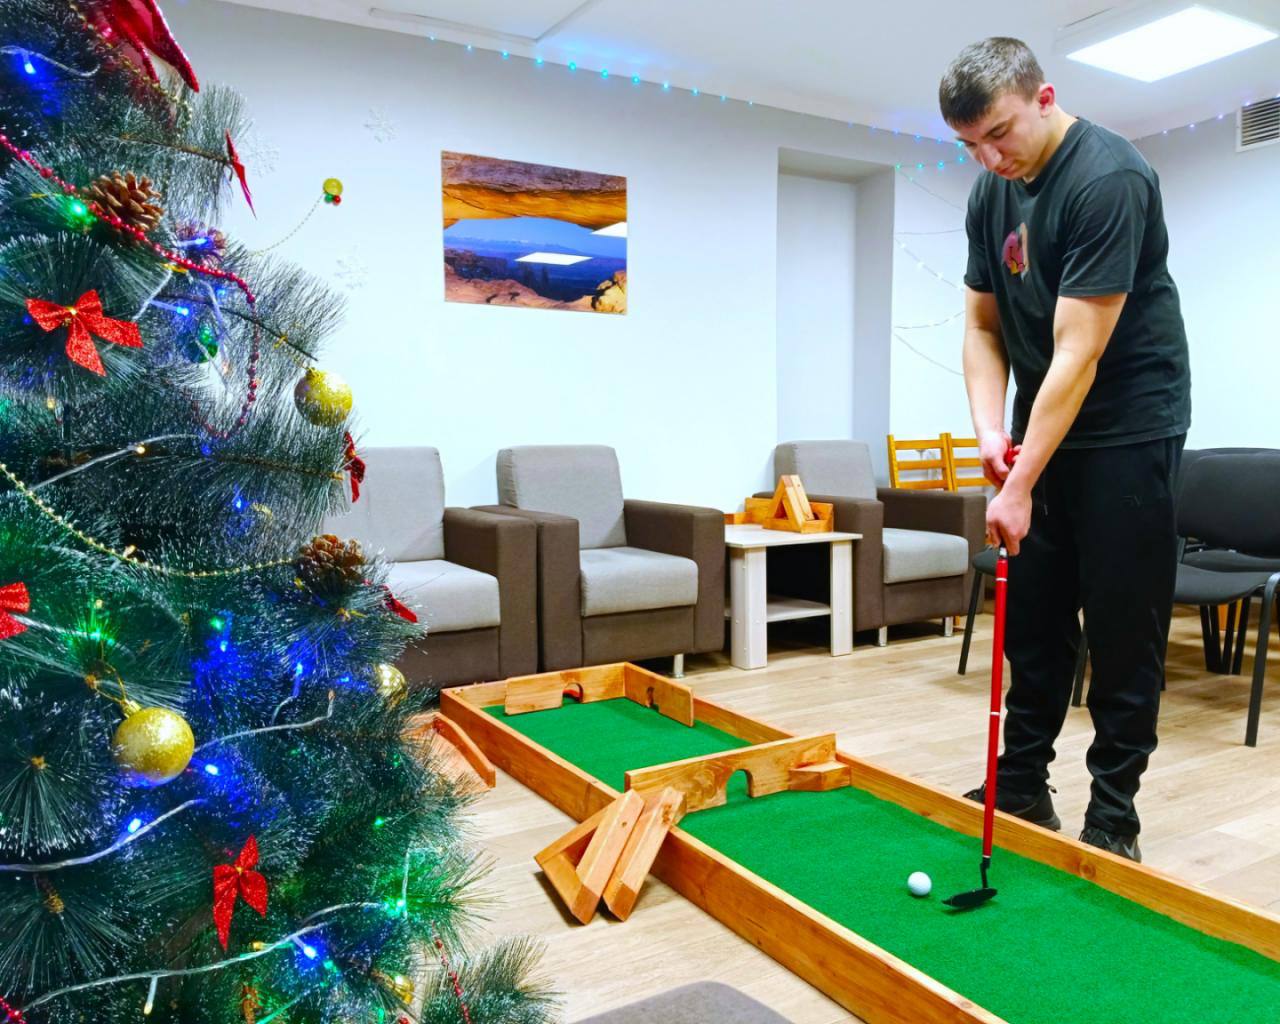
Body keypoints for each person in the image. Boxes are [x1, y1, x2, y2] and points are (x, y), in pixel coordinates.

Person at [938, 37, 1191, 861]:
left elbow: (1078, 351)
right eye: (970, 145)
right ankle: (1021, 783)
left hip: (1129, 426)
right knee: (1035, 613)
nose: (989, 159)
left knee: (1123, 624)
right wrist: (990, 432)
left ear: (1044, 99)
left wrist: (1018, 487)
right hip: (1043, 423)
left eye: (999, 134)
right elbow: (982, 325)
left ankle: (1114, 814)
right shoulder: (992, 191)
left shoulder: (1108, 178)